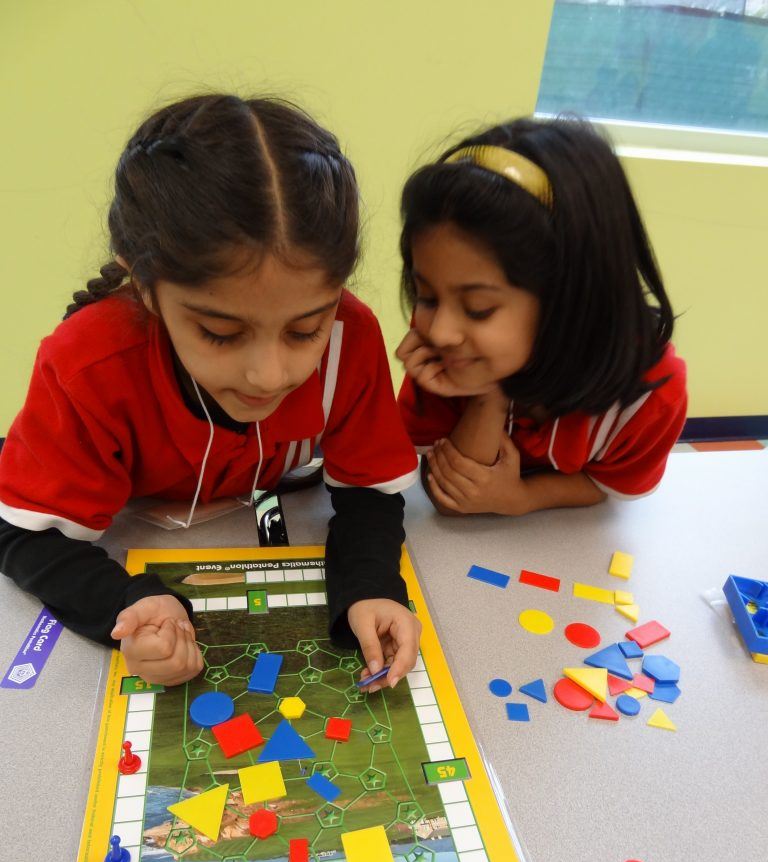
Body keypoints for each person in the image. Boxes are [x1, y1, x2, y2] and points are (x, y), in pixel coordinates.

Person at [0, 94, 420, 689]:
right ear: (145, 286)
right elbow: (22, 532)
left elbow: (369, 494)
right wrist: (131, 603)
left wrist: (371, 586)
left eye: (305, 330)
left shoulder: (352, 339)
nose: (269, 375)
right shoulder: (88, 366)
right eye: (221, 333)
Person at [396, 116, 687, 516]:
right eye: (426, 296)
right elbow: (450, 497)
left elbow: (606, 483)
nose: (442, 331)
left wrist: (523, 499)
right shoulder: (449, 349)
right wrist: (489, 393)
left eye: (478, 308)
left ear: (570, 296)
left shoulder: (651, 393)